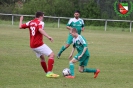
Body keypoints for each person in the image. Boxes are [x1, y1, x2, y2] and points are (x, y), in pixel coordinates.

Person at [19, 11, 59, 78]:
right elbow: (40, 29)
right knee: (52, 55)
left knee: (42, 58)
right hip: (38, 44)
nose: (43, 18)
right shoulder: (41, 22)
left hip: (32, 45)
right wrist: (48, 36)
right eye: (43, 17)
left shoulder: (30, 22)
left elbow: (20, 26)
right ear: (40, 16)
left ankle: (47, 72)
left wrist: (20, 20)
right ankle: (49, 72)